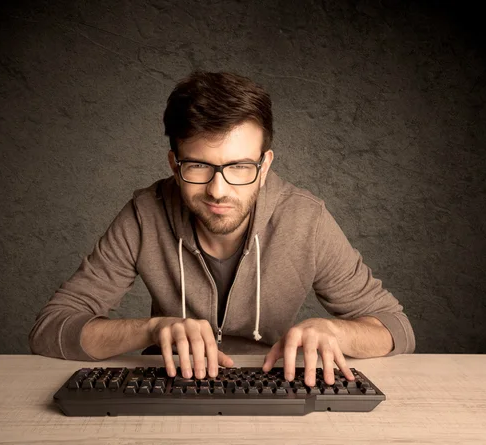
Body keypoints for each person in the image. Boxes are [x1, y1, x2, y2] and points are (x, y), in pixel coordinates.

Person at [29, 71, 415, 388]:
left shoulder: (306, 219)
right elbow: (51, 329)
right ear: (173, 163)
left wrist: (336, 333)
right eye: (198, 166)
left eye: (239, 167)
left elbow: (396, 328)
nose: (218, 189)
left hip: (270, 386)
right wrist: (152, 329)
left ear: (264, 167)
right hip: (168, 385)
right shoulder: (145, 213)